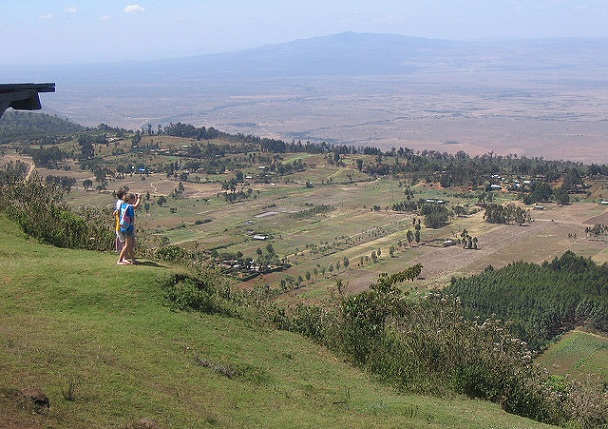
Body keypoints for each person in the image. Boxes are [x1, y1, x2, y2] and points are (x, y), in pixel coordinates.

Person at [117, 192, 142, 265]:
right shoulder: (130, 207)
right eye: (133, 200)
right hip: (129, 228)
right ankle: (120, 260)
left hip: (123, 227)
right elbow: (135, 209)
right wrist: (139, 198)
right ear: (129, 200)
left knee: (129, 245)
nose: (133, 201)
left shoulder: (122, 205)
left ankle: (133, 260)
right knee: (127, 246)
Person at [113, 188, 127, 252]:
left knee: (119, 236)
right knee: (123, 238)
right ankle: (124, 251)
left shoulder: (119, 202)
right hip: (122, 222)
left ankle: (119, 250)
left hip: (119, 221)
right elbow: (119, 210)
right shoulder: (122, 202)